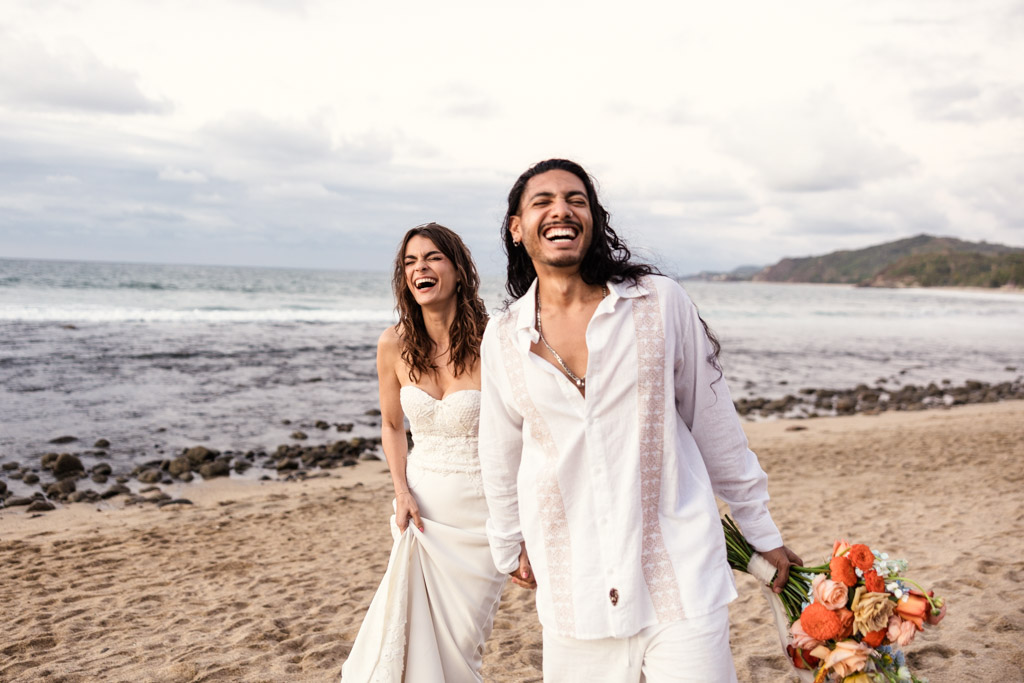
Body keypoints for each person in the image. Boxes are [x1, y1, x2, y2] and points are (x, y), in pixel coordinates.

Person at [478, 159, 801, 682]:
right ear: (517, 229)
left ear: (593, 220)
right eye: (542, 201)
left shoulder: (658, 302)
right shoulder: (503, 338)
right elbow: (498, 450)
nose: (561, 209)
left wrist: (759, 527)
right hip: (573, 586)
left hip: (678, 572)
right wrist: (508, 543)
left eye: (576, 200)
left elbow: (713, 422)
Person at [341, 223, 506, 682]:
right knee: (410, 637)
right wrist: (401, 491)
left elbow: (522, 429)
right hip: (418, 510)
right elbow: (392, 425)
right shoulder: (392, 343)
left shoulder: (494, 341)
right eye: (410, 262)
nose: (420, 269)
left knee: (462, 647)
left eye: (432, 258)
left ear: (457, 270)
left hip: (482, 515)